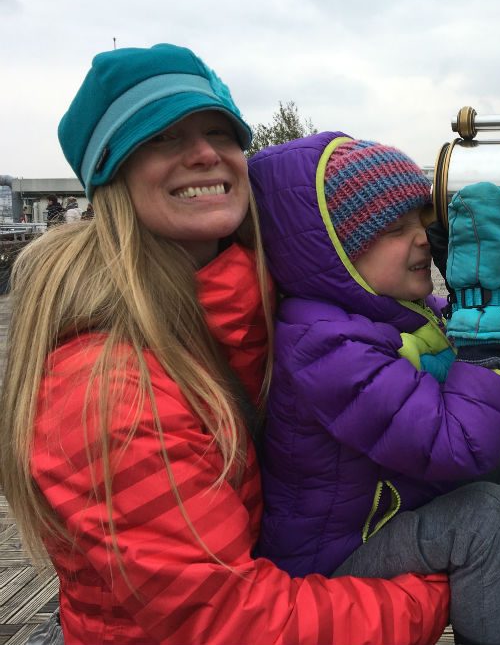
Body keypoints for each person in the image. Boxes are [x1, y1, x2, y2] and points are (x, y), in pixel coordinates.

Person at [0, 43, 452, 645]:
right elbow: (227, 622)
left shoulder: (251, 309)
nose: (206, 153)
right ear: (110, 173)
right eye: (160, 137)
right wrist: (445, 585)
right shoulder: (107, 385)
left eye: (221, 132)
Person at [248, 136, 500, 645]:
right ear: (337, 252)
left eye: (423, 221)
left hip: (387, 503)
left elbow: (499, 362)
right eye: (395, 229)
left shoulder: (398, 312)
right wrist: (482, 329)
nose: (423, 238)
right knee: (486, 517)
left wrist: (487, 296)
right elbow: (458, 445)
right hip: (333, 556)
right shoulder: (324, 344)